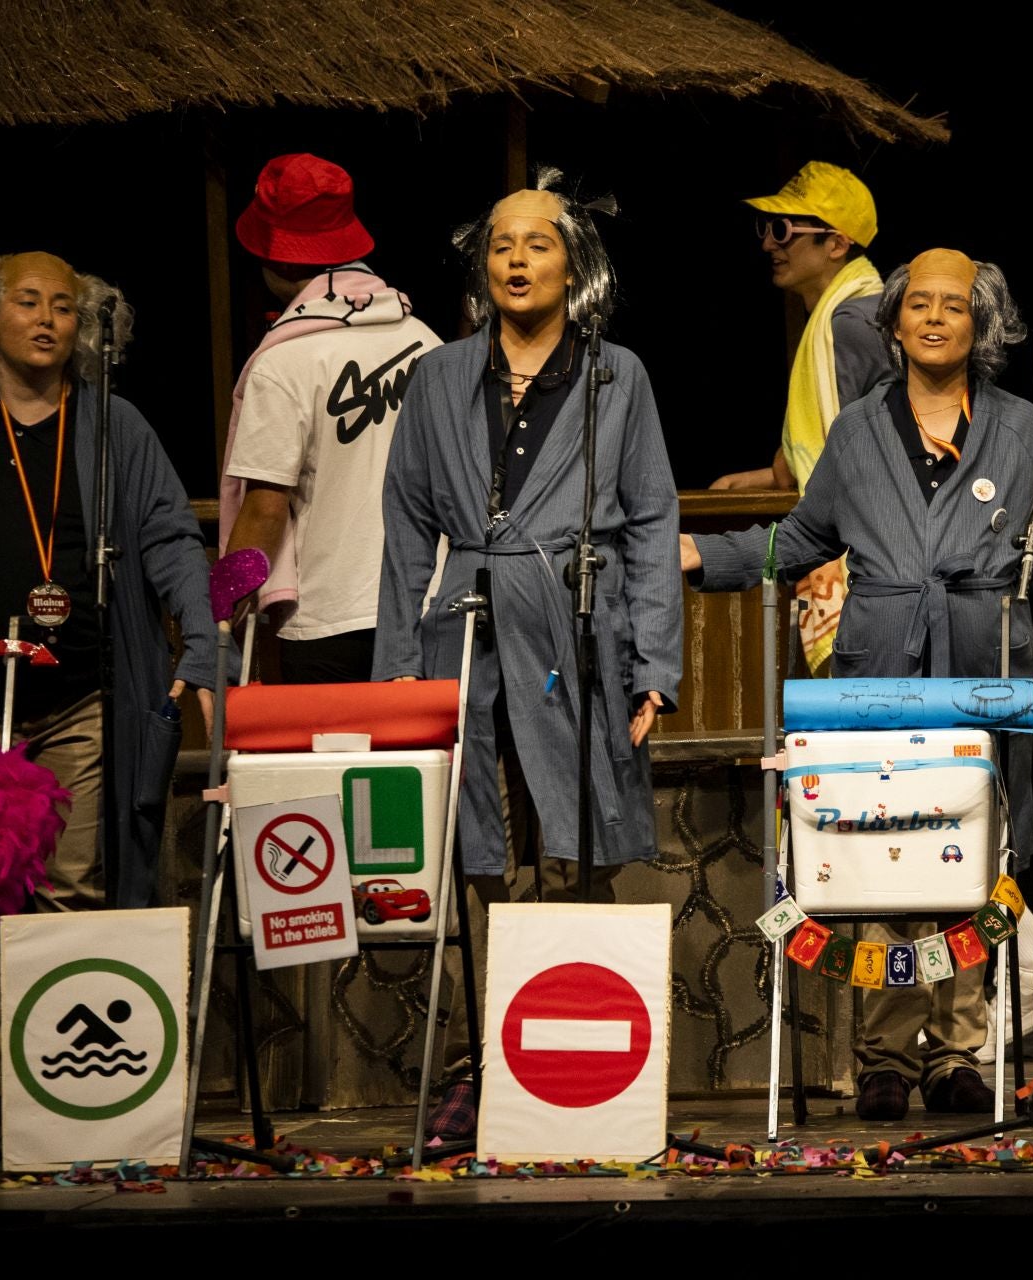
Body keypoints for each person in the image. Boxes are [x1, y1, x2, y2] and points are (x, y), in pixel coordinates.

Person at [682, 249, 1033, 1122]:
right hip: (879, 670)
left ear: (981, 324)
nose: (936, 317)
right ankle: (882, 1055)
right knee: (885, 851)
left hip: (986, 667)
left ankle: (955, 1051)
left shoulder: (1023, 429)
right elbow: (798, 540)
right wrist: (702, 556)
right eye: (920, 304)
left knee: (975, 858)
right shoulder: (860, 429)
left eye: (955, 304)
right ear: (895, 321)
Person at [373, 176, 682, 1140]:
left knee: (573, 842)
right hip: (463, 629)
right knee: (475, 855)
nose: (515, 259)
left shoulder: (615, 376)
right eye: (500, 244)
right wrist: (396, 675)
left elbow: (650, 522)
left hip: (570, 631)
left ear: (573, 263)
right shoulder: (435, 378)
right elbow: (402, 525)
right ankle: (479, 1063)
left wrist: (654, 665)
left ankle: (570, 1049)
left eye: (537, 244)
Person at [0, 251, 217, 910]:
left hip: (79, 703)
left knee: (73, 888)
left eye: (63, 307)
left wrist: (202, 648)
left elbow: (172, 541)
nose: (47, 320)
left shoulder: (118, 427)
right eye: (28, 302)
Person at [221, 153, 443, 683]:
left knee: (337, 770)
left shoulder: (284, 363)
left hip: (329, 620)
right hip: (431, 609)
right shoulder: (426, 342)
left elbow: (265, 509)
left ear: (279, 260)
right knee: (423, 769)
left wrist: (222, 610)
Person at [711, 161, 895, 678]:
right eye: (766, 228)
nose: (769, 243)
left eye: (784, 229)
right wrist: (770, 476)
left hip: (869, 561)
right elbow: (831, 433)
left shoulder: (854, 322)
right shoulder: (841, 317)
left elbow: (876, 445)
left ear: (836, 243)